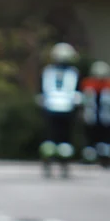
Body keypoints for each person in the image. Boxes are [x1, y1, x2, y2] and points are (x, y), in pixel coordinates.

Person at [37, 42, 81, 178]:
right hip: (67, 109)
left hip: (50, 108)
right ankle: (64, 165)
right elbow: (78, 94)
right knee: (64, 139)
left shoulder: (47, 71)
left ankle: (47, 162)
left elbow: (40, 92)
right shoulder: (74, 73)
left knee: (50, 137)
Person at [80, 61, 110, 164]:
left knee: (104, 137)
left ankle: (104, 156)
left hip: (105, 117)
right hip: (91, 116)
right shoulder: (88, 84)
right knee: (90, 136)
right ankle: (89, 156)